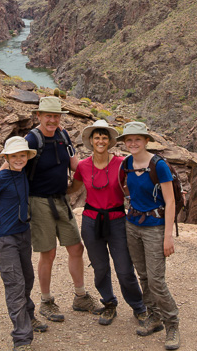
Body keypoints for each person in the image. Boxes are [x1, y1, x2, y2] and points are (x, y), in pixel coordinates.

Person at [0, 96, 99, 323]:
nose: (52, 120)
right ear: (38, 116)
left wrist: (97, 174)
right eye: (48, 115)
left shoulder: (63, 135)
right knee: (48, 252)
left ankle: (80, 296)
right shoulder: (31, 139)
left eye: (56, 116)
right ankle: (46, 301)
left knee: (76, 248)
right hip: (37, 201)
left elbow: (75, 164)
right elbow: (6, 169)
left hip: (61, 199)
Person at [68, 120, 147, 326]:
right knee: (100, 267)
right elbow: (73, 188)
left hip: (117, 220)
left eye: (104, 137)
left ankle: (139, 307)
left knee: (124, 268)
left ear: (109, 141)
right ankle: (109, 304)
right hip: (91, 221)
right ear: (91, 141)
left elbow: (136, 184)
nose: (101, 141)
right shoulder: (83, 166)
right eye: (97, 137)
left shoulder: (122, 163)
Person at [116, 121, 180, 350]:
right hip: (132, 224)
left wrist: (168, 236)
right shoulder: (126, 163)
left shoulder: (158, 165)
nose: (133, 143)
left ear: (145, 141)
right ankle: (153, 317)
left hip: (155, 227)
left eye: (137, 139)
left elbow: (170, 200)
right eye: (129, 140)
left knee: (156, 280)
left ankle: (172, 322)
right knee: (143, 275)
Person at [0, 136, 38, 351]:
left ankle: (29, 318)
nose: (19, 159)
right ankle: (22, 338)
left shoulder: (21, 173)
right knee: (15, 284)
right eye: (14, 156)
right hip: (5, 238)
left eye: (23, 155)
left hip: (23, 233)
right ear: (7, 157)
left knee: (27, 277)